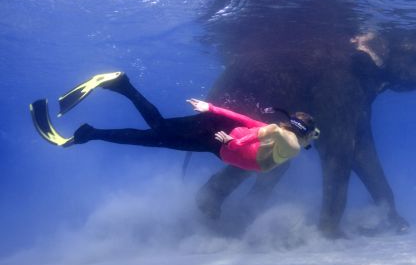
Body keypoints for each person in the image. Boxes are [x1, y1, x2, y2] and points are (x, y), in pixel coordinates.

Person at [31, 72, 320, 172]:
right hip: (218, 132)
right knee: (158, 129)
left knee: (152, 139)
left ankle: (91, 133)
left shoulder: (297, 138)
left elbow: (253, 122)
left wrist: (221, 123)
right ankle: (123, 84)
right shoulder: (287, 139)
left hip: (215, 147)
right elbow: (256, 127)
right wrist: (215, 113)